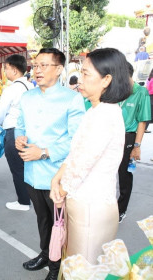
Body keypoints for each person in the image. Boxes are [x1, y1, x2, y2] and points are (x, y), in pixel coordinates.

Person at [50, 48, 131, 264]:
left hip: (90, 206)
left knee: (83, 268)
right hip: (84, 202)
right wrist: (58, 177)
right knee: (79, 265)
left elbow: (83, 164)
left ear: (106, 80)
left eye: (86, 74)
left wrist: (61, 189)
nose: (80, 79)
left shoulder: (104, 115)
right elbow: (77, 154)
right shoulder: (96, 110)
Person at [15, 48, 85, 280]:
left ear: (59, 69)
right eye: (36, 65)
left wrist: (44, 152)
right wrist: (19, 137)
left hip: (57, 176)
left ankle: (58, 269)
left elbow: (76, 140)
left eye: (44, 65)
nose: (38, 70)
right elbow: (20, 124)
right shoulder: (27, 97)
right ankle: (45, 254)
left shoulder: (72, 98)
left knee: (60, 225)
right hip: (32, 173)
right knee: (42, 219)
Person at [0, 54, 34, 211]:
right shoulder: (31, 87)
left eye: (6, 68)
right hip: (29, 132)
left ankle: (23, 202)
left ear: (13, 69)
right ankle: (31, 196)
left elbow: (0, 113)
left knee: (17, 168)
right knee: (27, 166)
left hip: (13, 132)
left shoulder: (11, 89)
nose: (5, 72)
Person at [117, 62, 151, 223]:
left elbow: (142, 122)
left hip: (128, 137)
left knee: (124, 175)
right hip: (111, 136)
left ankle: (121, 210)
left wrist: (137, 146)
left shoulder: (141, 92)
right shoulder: (115, 90)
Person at [145, 68, 153, 133]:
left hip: (148, 96)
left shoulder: (148, 78)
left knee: (148, 112)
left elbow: (146, 87)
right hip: (151, 96)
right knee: (150, 113)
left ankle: (145, 127)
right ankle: (145, 128)